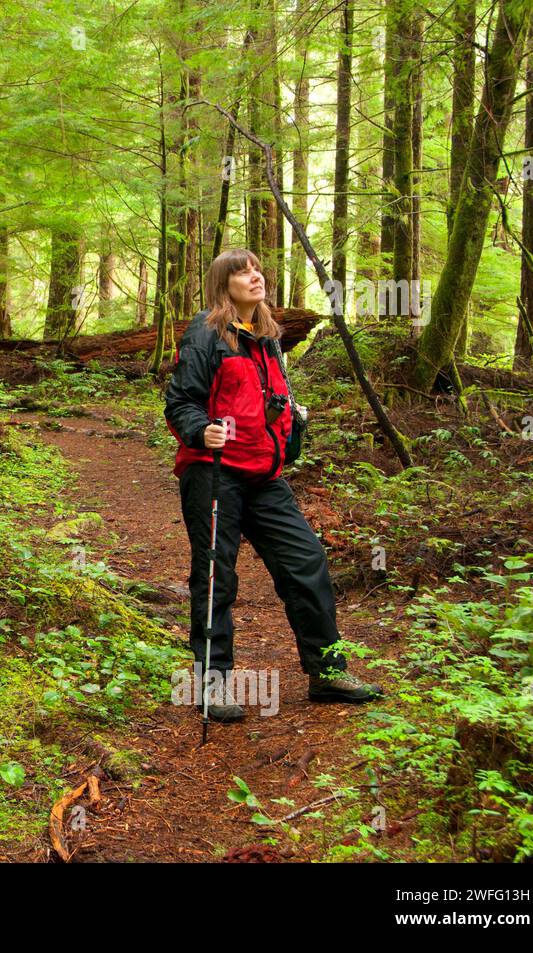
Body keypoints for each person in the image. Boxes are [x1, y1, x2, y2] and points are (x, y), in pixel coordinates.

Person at [163, 249, 382, 723]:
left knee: (306, 559)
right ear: (224, 283)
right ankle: (213, 683)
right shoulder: (205, 332)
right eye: (242, 271)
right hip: (214, 471)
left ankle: (326, 671)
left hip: (264, 475)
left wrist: (294, 425)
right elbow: (180, 399)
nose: (254, 276)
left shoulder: (267, 338)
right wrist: (201, 428)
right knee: (217, 574)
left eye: (257, 269)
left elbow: (272, 401)